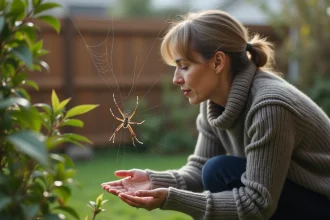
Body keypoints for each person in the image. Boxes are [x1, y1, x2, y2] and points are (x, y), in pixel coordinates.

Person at [101, 9, 330, 219]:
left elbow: (257, 203)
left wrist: (171, 199)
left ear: (218, 62)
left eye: (184, 66)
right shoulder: (215, 100)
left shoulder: (270, 106)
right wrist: (153, 181)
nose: (176, 78)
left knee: (219, 170)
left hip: (322, 202)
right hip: (295, 197)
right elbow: (199, 168)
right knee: (215, 169)